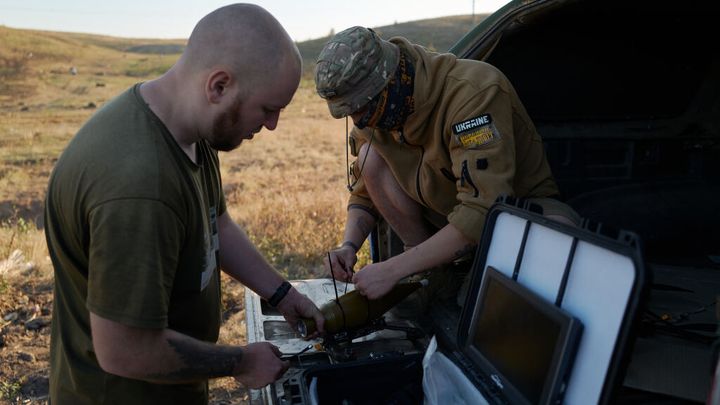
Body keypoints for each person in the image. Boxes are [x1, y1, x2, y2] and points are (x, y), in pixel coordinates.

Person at [44, 4, 324, 404]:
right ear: (219, 86)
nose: (272, 124)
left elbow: (217, 225)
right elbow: (125, 349)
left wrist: (283, 295)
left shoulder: (188, 129)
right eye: (267, 108)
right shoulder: (140, 188)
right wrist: (241, 362)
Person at [316, 27, 580, 301]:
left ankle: (456, 278)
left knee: (503, 296)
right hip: (443, 222)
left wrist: (394, 269)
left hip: (518, 216)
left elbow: (484, 210)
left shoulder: (471, 92)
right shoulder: (378, 112)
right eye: (350, 114)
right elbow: (364, 192)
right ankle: (435, 275)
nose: (359, 122)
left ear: (390, 82)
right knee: (369, 158)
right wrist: (348, 246)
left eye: (362, 109)